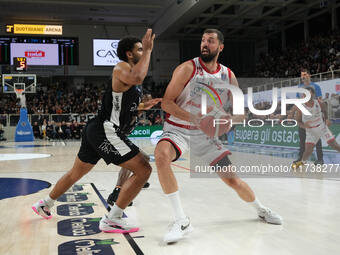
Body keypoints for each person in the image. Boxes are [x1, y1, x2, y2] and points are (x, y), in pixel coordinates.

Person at [154, 28, 282, 244]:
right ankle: (181, 220)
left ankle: (261, 210)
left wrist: (227, 121)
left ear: (220, 47)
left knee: (232, 180)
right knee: (161, 156)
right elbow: (166, 103)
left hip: (206, 135)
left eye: (211, 41)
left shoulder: (228, 75)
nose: (205, 44)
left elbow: (240, 111)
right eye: (203, 40)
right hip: (178, 128)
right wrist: (195, 119)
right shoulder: (187, 69)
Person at [32, 28, 155, 234]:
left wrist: (143, 107)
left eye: (144, 49)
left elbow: (122, 103)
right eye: (140, 49)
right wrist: (150, 50)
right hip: (105, 130)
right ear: (129, 53)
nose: (144, 52)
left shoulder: (129, 76)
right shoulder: (121, 67)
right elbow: (138, 77)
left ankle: (45, 203)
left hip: (98, 129)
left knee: (75, 174)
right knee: (143, 168)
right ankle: (112, 218)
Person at [293, 86, 340, 167]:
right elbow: (298, 121)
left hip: (322, 127)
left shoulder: (319, 103)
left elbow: (325, 111)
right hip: (310, 131)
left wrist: (327, 119)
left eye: (309, 94)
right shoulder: (300, 107)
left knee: (334, 145)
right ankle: (303, 162)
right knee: (308, 151)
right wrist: (304, 126)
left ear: (313, 94)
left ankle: (319, 160)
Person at [291, 69, 324, 165]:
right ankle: (301, 158)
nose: (303, 76)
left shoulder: (316, 86)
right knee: (302, 138)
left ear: (309, 75)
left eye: (305, 74)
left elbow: (320, 100)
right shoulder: (299, 87)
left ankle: (320, 159)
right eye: (301, 75)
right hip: (303, 116)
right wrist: (293, 114)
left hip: (313, 116)